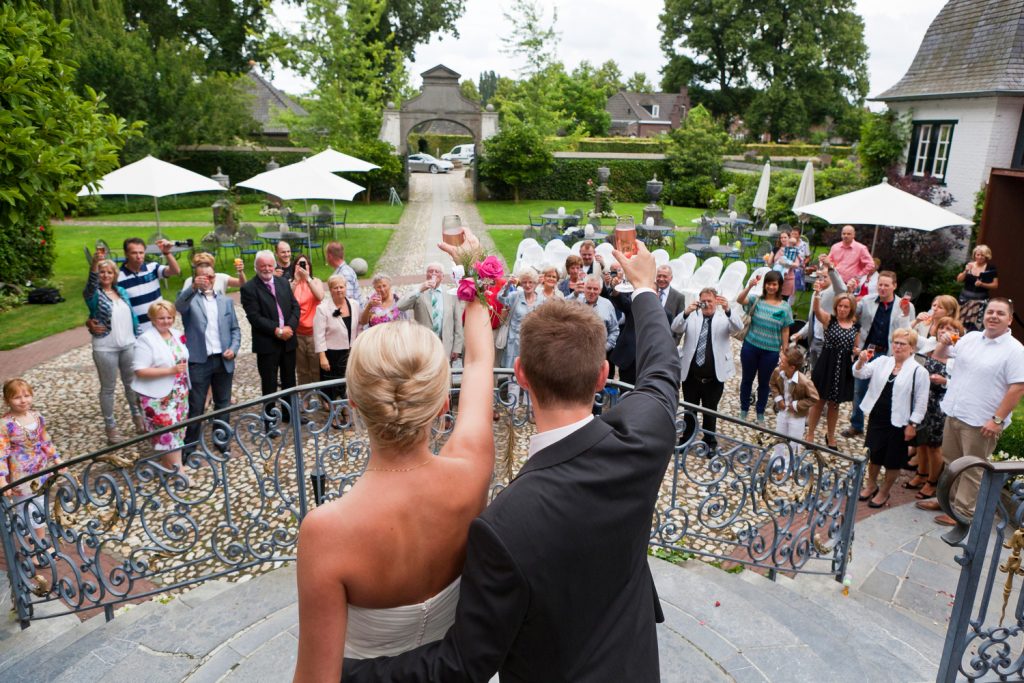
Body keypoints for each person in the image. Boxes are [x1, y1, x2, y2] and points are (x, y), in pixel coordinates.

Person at [341, 240, 680, 683]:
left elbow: (463, 664)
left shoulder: (503, 526)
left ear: (520, 373)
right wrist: (644, 288)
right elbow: (662, 371)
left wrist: (347, 674)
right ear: (602, 376)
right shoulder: (643, 437)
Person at [292, 228, 496, 682]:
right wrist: (474, 269)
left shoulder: (326, 532)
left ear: (354, 407)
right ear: (444, 405)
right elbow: (481, 363)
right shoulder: (471, 471)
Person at [918, 298, 1024, 526]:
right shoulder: (971, 338)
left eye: (1000, 313)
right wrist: (944, 342)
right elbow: (941, 356)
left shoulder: (1015, 350)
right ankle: (946, 500)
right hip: (955, 411)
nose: (993, 316)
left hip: (981, 421)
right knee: (952, 461)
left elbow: (1018, 387)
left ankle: (962, 512)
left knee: (972, 468)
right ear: (984, 315)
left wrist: (997, 420)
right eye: (990, 312)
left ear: (1009, 319)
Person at [0, 378, 63, 596]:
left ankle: (42, 543)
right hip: (20, 475)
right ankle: (30, 548)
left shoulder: (37, 418)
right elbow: (2, 452)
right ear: (8, 400)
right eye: (17, 397)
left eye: (26, 395)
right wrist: (2, 478)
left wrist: (56, 460)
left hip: (40, 472)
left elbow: (46, 441)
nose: (23, 400)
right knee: (24, 510)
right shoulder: (5, 424)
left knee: (40, 507)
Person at [853, 328, 929, 509]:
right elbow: (860, 374)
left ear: (912, 348)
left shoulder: (919, 371)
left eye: (903, 344)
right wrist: (861, 362)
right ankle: (871, 484)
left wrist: (913, 424)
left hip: (900, 422)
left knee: (892, 460)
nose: (897, 346)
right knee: (874, 454)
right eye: (895, 342)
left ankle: (884, 491)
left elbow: (921, 401)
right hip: (878, 416)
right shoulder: (882, 361)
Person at [174, 261, 241, 454]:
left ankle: (221, 440)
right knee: (196, 406)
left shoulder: (225, 301)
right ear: (196, 278)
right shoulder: (190, 299)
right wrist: (193, 287)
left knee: (223, 403)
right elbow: (179, 306)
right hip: (199, 360)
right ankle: (190, 446)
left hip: (223, 359)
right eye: (202, 277)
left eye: (211, 276)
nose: (207, 280)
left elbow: (235, 329)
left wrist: (234, 348)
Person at [844, 271, 915, 438]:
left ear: (894, 286)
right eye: (880, 285)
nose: (882, 288)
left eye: (886, 285)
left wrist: (905, 314)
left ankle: (885, 425)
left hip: (890, 354)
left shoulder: (905, 305)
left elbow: (909, 331)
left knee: (887, 392)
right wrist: (850, 293)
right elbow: (852, 314)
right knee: (859, 390)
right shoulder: (868, 301)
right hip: (868, 351)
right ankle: (857, 424)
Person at [84, 252, 145, 443]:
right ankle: (110, 427)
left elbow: (132, 315)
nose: (105, 275)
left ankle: (138, 417)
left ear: (114, 275)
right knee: (108, 388)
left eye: (109, 272)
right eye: (102, 272)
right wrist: (95, 263)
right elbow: (91, 283)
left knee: (132, 384)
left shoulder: (122, 292)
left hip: (128, 344)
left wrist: (139, 336)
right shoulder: (93, 295)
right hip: (105, 347)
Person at [672, 287, 743, 451]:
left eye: (710, 301)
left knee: (710, 412)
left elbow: (738, 328)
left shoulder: (723, 317)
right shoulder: (693, 316)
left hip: (714, 377)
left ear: (716, 301)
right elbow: (675, 327)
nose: (706, 304)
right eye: (704, 301)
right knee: (690, 409)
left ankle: (709, 443)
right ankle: (686, 439)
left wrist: (727, 309)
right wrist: (686, 312)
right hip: (691, 375)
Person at [132, 300, 190, 476]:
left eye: (170, 317)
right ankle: (178, 470)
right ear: (152, 319)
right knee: (168, 433)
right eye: (161, 318)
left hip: (179, 391)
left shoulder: (176, 333)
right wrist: (170, 371)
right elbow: (139, 370)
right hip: (157, 396)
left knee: (179, 430)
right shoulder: (146, 340)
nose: (166, 321)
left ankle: (170, 465)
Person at [908, 316, 962, 501]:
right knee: (920, 441)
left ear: (957, 335)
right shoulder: (929, 346)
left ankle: (932, 482)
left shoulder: (957, 356)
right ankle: (921, 474)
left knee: (933, 446)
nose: (944, 331)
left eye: (950, 328)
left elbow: (962, 384)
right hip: (922, 399)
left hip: (940, 404)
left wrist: (945, 381)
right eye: (942, 327)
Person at [240, 250, 300, 417]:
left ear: (274, 266)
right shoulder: (249, 288)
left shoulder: (283, 283)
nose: (266, 269)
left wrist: (290, 328)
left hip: (288, 340)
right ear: (256, 267)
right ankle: (270, 420)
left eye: (269, 265)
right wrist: (277, 330)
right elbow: (254, 317)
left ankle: (290, 415)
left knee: (290, 380)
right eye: (262, 265)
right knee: (269, 383)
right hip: (267, 343)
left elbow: (295, 307)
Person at [736, 270, 793, 424]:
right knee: (747, 379)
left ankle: (760, 412)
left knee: (765, 383)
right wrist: (749, 287)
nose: (771, 287)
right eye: (768, 283)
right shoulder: (757, 300)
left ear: (779, 286)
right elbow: (740, 300)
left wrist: (784, 349)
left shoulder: (785, 307)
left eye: (774, 284)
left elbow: (786, 328)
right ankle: (744, 409)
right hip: (751, 347)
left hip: (771, 351)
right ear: (764, 285)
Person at [805, 291, 859, 448]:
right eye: (840, 306)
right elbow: (816, 310)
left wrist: (857, 351)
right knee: (819, 401)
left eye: (846, 307)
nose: (842, 309)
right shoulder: (830, 320)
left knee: (835, 404)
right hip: (827, 363)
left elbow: (856, 347)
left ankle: (831, 435)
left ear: (851, 309)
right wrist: (816, 294)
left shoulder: (856, 327)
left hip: (842, 367)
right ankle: (810, 433)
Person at [110, 237, 182, 331]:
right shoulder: (118, 277)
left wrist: (167, 253)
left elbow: (175, 271)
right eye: (134, 253)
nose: (139, 256)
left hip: (160, 325)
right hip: (138, 329)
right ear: (126, 254)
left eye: (141, 252)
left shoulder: (152, 268)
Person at [397, 262, 464, 363]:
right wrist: (420, 289)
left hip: (445, 345)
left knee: (445, 375)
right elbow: (401, 306)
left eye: (437, 271)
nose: (433, 274)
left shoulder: (451, 294)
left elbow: (458, 323)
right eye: (430, 271)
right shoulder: (418, 291)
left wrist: (457, 348)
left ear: (442, 276)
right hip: (423, 344)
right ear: (426, 275)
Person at [313, 275, 361, 403]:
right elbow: (319, 335)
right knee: (332, 386)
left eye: (342, 287)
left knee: (347, 383)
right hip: (332, 353)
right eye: (335, 288)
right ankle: (333, 414)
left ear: (346, 288)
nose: (339, 290)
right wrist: (322, 357)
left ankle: (345, 409)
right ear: (330, 289)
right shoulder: (322, 309)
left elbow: (359, 326)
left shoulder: (354, 304)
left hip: (350, 351)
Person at [769, 346, 819, 465]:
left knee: (794, 441)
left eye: (783, 362)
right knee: (779, 436)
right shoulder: (777, 372)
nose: (779, 362)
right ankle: (776, 460)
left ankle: (789, 465)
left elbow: (814, 398)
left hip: (797, 416)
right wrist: (778, 398)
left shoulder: (804, 382)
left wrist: (797, 405)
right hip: (783, 412)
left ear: (792, 367)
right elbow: (772, 384)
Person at [290, 253, 326, 386]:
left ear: (309, 267)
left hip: (313, 332)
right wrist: (296, 281)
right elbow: (286, 301)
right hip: (298, 333)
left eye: (305, 264)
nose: (302, 266)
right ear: (295, 267)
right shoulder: (291, 283)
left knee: (316, 368)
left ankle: (321, 395)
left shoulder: (315, 281)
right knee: (302, 369)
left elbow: (320, 296)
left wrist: (308, 279)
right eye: (299, 264)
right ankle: (305, 395)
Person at [498, 269, 546, 369]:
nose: (527, 285)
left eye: (530, 282)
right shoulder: (515, 296)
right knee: (513, 375)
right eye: (524, 282)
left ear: (536, 283)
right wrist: (508, 285)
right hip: (514, 342)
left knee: (530, 373)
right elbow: (500, 298)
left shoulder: (542, 300)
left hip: (533, 342)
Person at [956, 244, 998, 332]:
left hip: (980, 301)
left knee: (974, 327)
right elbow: (959, 280)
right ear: (974, 255)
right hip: (964, 300)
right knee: (959, 323)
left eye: (982, 255)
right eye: (977, 254)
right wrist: (966, 271)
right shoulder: (969, 265)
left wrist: (982, 284)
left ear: (987, 256)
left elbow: (995, 285)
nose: (979, 257)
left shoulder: (990, 268)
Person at [180, 252, 245, 294]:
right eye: (200, 266)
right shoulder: (190, 281)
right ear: (195, 269)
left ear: (212, 267)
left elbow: (242, 284)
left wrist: (240, 272)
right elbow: (182, 302)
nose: (204, 269)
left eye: (207, 266)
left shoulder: (221, 277)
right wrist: (194, 286)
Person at [655, 265, 685, 343]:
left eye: (665, 276)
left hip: (667, 341)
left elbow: (680, 322)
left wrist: (675, 342)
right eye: (659, 276)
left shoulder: (679, 297)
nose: (661, 279)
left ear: (671, 278)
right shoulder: (649, 292)